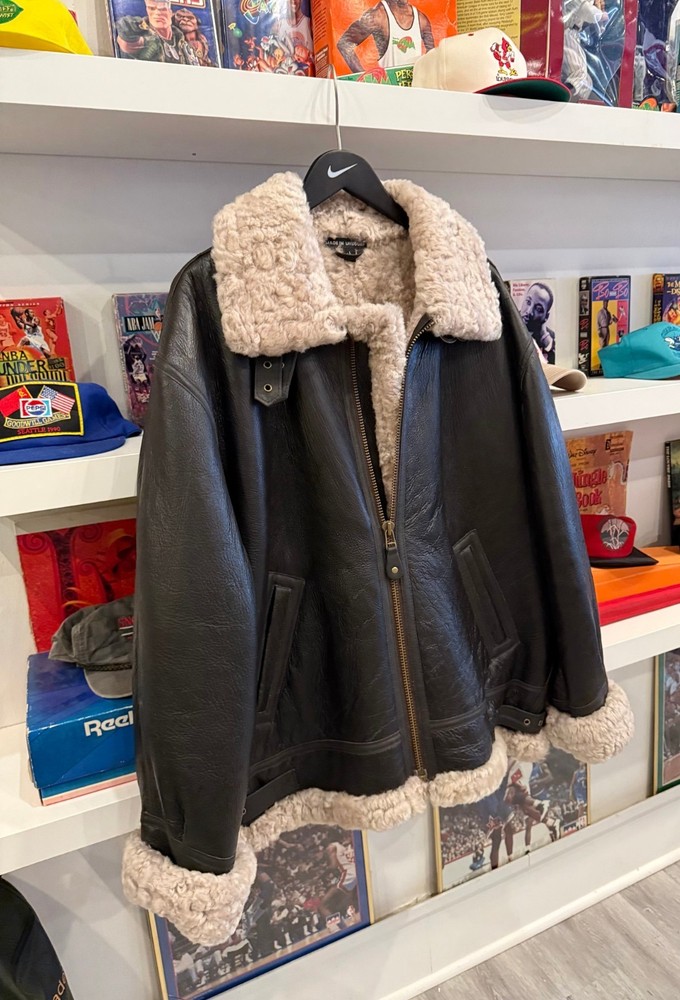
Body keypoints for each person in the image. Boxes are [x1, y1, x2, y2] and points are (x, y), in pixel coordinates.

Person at [337, 0, 434, 74]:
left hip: (414, 90)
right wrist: (363, 77)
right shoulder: (377, 16)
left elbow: (432, 54)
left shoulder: (421, 19)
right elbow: (344, 44)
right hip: (388, 91)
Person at [115, 0, 199, 64]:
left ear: (170, 13)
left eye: (162, 9)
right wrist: (128, 37)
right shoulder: (141, 34)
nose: (158, 13)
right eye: (152, 8)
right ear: (147, 11)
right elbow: (127, 44)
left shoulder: (180, 41)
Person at [562, 0, 609, 101]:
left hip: (572, 33)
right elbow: (587, 11)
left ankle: (574, 103)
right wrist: (602, 15)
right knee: (579, 73)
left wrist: (599, 8)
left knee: (587, 82)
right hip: (566, 34)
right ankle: (561, 94)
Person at [519, 282, 556, 363]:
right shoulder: (507, 324)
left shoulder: (550, 339)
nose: (529, 311)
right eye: (528, 302)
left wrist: (546, 341)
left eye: (538, 309)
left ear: (546, 317)